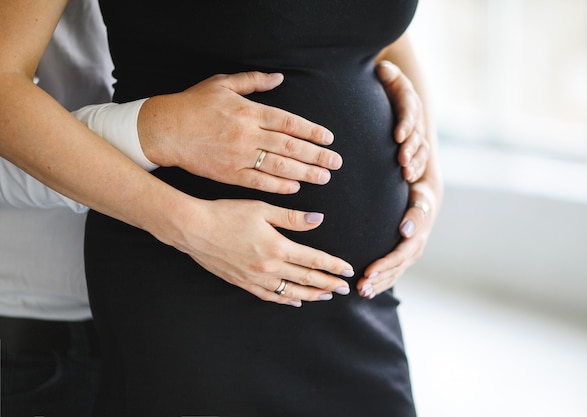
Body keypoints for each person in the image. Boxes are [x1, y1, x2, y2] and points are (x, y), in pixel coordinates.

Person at [0, 0, 442, 416]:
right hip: (199, 277)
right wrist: (193, 227)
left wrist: (428, 178)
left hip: (361, 296)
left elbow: (373, 34)